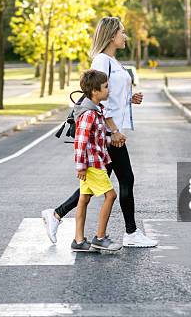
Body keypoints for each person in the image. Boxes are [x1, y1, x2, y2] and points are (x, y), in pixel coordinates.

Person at [41, 17, 158, 248]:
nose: (125, 36)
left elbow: (109, 95)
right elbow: (96, 97)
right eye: (122, 32)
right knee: (124, 179)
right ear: (112, 35)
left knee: (96, 183)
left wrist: (129, 98)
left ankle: (56, 215)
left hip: (110, 130)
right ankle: (130, 234)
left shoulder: (112, 60)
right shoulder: (102, 60)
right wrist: (113, 130)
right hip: (105, 133)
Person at [71, 69, 121, 252]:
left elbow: (95, 139)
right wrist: (80, 166)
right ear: (95, 91)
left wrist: (112, 138)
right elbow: (80, 141)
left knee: (83, 199)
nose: (109, 90)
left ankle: (78, 241)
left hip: (94, 161)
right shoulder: (89, 114)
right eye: (106, 87)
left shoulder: (96, 110)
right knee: (111, 195)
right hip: (92, 165)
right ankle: (100, 238)